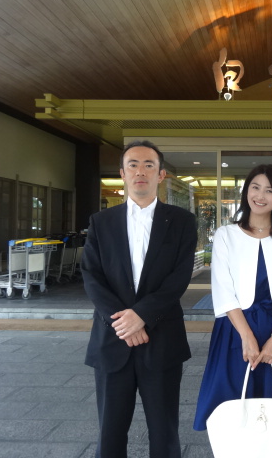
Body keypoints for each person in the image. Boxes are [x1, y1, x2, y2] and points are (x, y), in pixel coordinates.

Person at [82, 140, 197, 458]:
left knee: (164, 433)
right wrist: (124, 322)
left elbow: (179, 278)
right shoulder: (101, 222)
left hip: (162, 340)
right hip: (112, 339)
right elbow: (92, 276)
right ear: (122, 173)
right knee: (110, 433)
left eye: (149, 165)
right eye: (133, 165)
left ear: (161, 175)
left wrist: (141, 315)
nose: (140, 171)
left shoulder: (181, 221)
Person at [193, 164, 272, 431]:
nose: (260, 195)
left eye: (270, 190)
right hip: (235, 330)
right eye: (255, 187)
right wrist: (247, 337)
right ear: (246, 192)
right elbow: (223, 289)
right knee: (232, 405)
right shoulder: (226, 235)